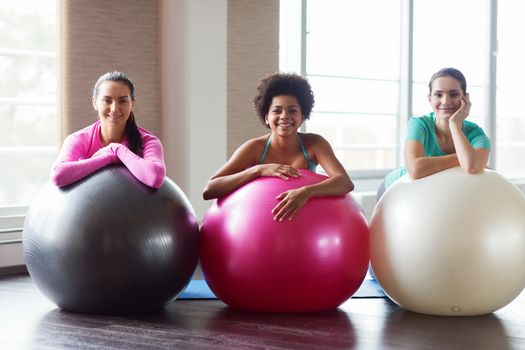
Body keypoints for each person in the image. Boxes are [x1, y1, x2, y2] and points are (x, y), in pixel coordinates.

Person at [202, 72, 354, 221]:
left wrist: (306, 192)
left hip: (304, 224)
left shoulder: (315, 144)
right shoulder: (254, 148)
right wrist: (258, 170)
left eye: (292, 110)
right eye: (277, 110)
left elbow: (344, 182)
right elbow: (210, 189)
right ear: (267, 117)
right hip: (261, 225)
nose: (284, 116)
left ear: (302, 117)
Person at [378, 67, 491, 199]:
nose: (445, 101)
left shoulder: (476, 134)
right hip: (395, 190)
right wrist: (465, 157)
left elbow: (470, 166)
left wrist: (454, 124)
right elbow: (415, 169)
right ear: (429, 98)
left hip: (436, 197)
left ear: (465, 98)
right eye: (438, 94)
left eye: (453, 94)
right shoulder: (419, 123)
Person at [51, 71, 166, 189]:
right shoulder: (79, 139)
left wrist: (117, 149)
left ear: (132, 104)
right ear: (95, 103)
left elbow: (155, 177)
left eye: (122, 101)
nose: (115, 108)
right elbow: (59, 175)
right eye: (107, 100)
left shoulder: (149, 142)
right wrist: (109, 158)